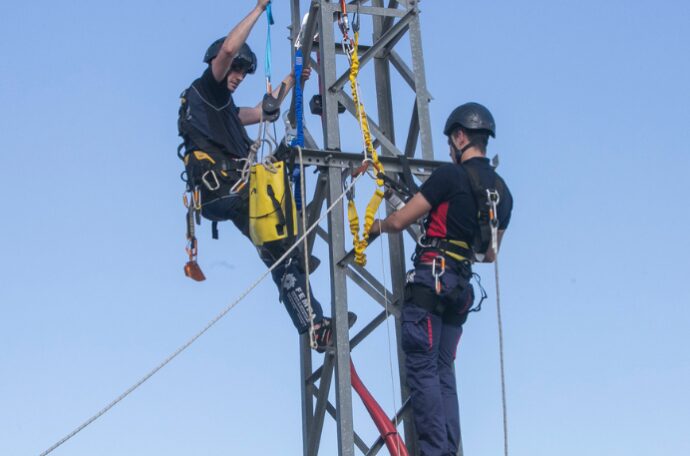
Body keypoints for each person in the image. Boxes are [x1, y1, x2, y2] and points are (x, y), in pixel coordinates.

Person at [177, 0, 354, 352]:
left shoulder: (221, 109)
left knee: (279, 255)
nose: (238, 77)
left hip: (229, 193)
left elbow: (263, 112)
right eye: (236, 70)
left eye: (244, 73)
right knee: (280, 233)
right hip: (226, 188)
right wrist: (259, 9)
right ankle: (295, 259)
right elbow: (228, 50)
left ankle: (315, 325)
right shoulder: (207, 89)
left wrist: (293, 78)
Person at [368, 102, 514, 455]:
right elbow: (489, 254)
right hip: (460, 289)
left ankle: (434, 452)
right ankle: (446, 450)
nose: (450, 150)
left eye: (451, 143)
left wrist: (374, 227)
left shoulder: (450, 177)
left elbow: (400, 221)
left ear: (461, 137)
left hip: (432, 282)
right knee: (443, 370)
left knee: (423, 368)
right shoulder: (502, 193)